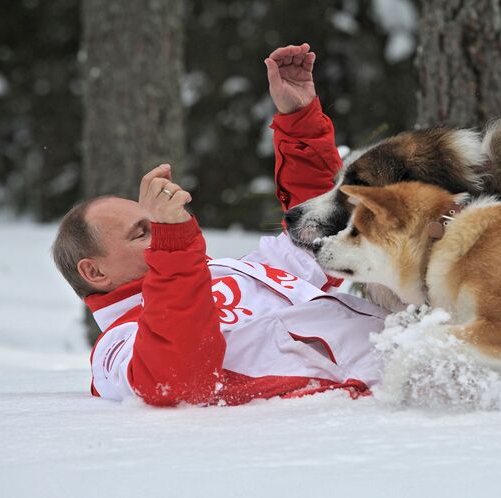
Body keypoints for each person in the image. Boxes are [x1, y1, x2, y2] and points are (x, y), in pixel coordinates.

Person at [53, 44, 387, 406]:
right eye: (142, 231)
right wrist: (174, 245)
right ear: (95, 272)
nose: (162, 233)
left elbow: (319, 229)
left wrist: (300, 119)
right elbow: (176, 384)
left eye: (159, 225)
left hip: (417, 358)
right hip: (365, 416)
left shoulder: (243, 272)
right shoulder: (118, 346)